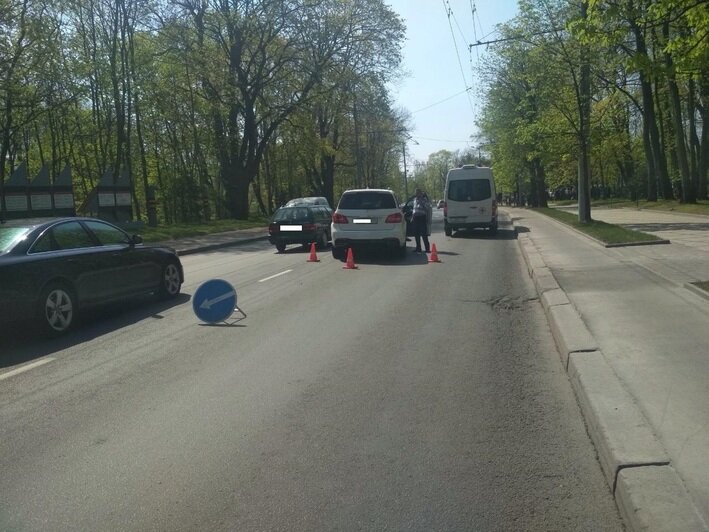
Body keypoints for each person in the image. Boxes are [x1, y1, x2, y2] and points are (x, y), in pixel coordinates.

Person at [411, 188, 431, 253]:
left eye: (418, 192)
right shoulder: (414, 200)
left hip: (422, 217)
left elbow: (427, 207)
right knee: (416, 234)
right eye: (416, 192)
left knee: (423, 234)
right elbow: (414, 209)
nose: (416, 194)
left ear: (420, 193)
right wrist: (412, 217)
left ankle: (427, 249)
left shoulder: (424, 199)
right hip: (415, 218)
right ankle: (418, 248)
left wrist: (421, 200)